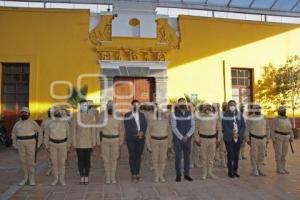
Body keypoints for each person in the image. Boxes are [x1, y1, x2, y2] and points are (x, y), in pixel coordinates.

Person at [11, 107, 42, 186]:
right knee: (23, 161)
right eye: (23, 113)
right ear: (21, 114)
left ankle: (31, 178)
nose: (24, 114)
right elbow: (13, 134)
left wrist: (39, 143)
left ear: (29, 114)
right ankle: (25, 178)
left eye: (26, 113)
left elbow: (40, 132)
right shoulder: (17, 124)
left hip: (31, 143)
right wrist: (14, 144)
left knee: (31, 161)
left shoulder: (33, 123)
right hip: (20, 144)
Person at [97, 101, 124, 184]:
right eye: (109, 106)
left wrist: (121, 141)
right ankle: (108, 177)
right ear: (106, 106)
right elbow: (98, 130)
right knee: (106, 159)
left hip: (115, 140)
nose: (110, 107)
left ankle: (113, 176)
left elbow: (122, 130)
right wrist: (98, 141)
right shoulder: (102, 115)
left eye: (112, 106)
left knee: (114, 159)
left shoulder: (118, 115)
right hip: (105, 140)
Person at [72, 100, 96, 184]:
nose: (84, 107)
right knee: (80, 160)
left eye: (85, 105)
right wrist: (74, 142)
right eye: (82, 105)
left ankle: (86, 176)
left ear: (87, 107)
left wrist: (94, 142)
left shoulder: (91, 116)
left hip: (88, 141)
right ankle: (82, 176)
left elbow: (93, 130)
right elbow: (73, 130)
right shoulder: (75, 116)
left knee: (87, 160)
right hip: (79, 142)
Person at [44, 107, 71, 186]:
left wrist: (68, 145)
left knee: (62, 163)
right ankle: (56, 178)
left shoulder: (65, 123)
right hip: (52, 145)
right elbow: (46, 135)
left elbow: (69, 135)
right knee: (54, 163)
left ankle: (62, 179)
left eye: (58, 112)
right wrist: (46, 145)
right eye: (56, 112)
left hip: (63, 144)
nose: (57, 114)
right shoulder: (49, 123)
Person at [194, 104, 222, 180]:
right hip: (203, 139)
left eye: (209, 107)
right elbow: (196, 129)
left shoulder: (215, 117)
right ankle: (204, 173)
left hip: (212, 139)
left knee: (211, 157)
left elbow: (219, 129)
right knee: (203, 157)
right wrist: (196, 139)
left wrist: (219, 139)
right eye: (205, 108)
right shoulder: (199, 117)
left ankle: (210, 172)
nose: (207, 109)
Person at [146, 106, 172, 182]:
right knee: (155, 159)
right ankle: (157, 175)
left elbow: (170, 133)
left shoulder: (165, 121)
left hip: (164, 141)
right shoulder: (151, 121)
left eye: (159, 112)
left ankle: (161, 174)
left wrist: (170, 144)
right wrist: (148, 145)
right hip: (154, 141)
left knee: (163, 159)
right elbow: (147, 134)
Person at [171, 98, 195, 182]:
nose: (183, 104)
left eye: (184, 103)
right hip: (178, 139)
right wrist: (181, 137)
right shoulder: (174, 114)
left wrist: (187, 136)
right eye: (181, 103)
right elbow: (174, 127)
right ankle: (178, 175)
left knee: (187, 157)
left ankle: (187, 174)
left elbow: (193, 126)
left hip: (188, 139)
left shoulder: (190, 114)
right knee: (178, 157)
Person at [124, 99, 148, 182]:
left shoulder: (142, 115)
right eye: (135, 105)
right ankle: (133, 174)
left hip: (141, 139)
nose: (136, 107)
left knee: (138, 156)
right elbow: (128, 126)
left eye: (138, 106)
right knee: (132, 156)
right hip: (131, 139)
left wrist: (142, 132)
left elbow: (145, 125)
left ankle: (137, 173)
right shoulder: (127, 115)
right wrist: (137, 133)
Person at [222, 100, 245, 178]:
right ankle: (230, 171)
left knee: (236, 155)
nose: (232, 106)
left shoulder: (239, 114)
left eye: (234, 105)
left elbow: (243, 126)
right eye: (231, 105)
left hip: (238, 138)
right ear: (228, 106)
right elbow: (225, 127)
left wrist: (239, 134)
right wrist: (233, 134)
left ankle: (235, 170)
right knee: (230, 155)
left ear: (236, 106)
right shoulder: (225, 115)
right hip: (229, 138)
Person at [245, 104, 270, 176]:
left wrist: (268, 138)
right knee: (254, 154)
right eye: (257, 109)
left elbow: (267, 128)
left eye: (259, 108)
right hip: (254, 138)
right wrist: (247, 139)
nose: (258, 110)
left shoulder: (264, 117)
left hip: (263, 138)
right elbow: (247, 130)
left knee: (262, 154)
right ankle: (254, 169)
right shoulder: (250, 118)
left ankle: (260, 168)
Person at [271, 106, 294, 174]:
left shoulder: (287, 119)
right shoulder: (276, 119)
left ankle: (283, 167)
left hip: (286, 138)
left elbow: (290, 129)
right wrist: (273, 139)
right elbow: (272, 129)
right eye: (283, 110)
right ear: (279, 112)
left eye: (285, 110)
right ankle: (279, 168)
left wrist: (291, 137)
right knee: (279, 153)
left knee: (284, 153)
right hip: (278, 137)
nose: (285, 111)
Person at [41, 108, 54, 176]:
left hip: (54, 141)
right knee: (48, 157)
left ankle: (55, 169)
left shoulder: (56, 121)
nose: (50, 113)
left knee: (54, 156)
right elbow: (41, 131)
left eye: (51, 112)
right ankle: (50, 168)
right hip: (46, 141)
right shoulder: (44, 121)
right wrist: (40, 142)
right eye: (49, 112)